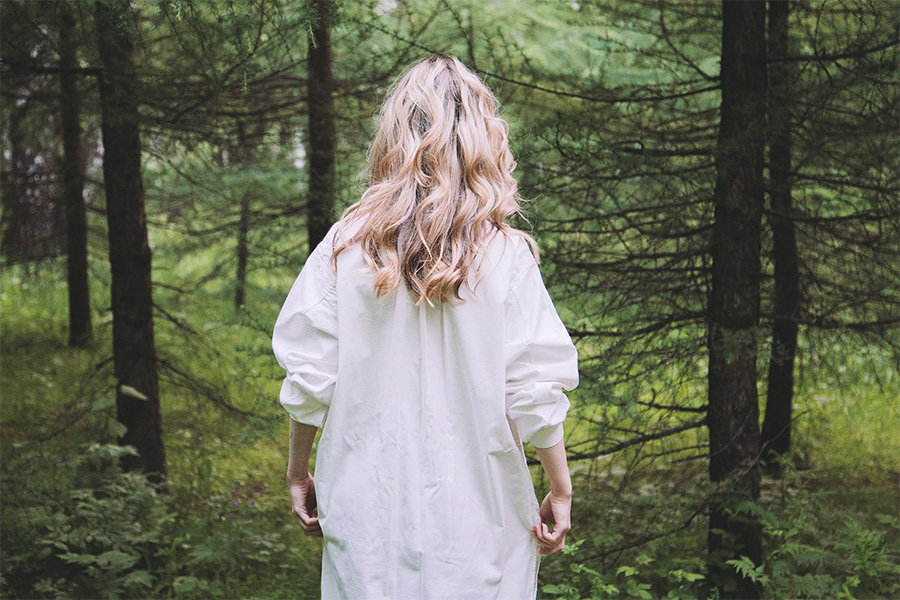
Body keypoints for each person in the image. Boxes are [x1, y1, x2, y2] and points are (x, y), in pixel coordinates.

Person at [272, 54, 579, 600]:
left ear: (393, 137)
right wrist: (560, 487)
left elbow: (309, 378)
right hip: (479, 528)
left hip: (368, 521)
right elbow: (534, 391)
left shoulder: (344, 249)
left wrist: (298, 472)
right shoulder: (505, 256)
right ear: (482, 140)